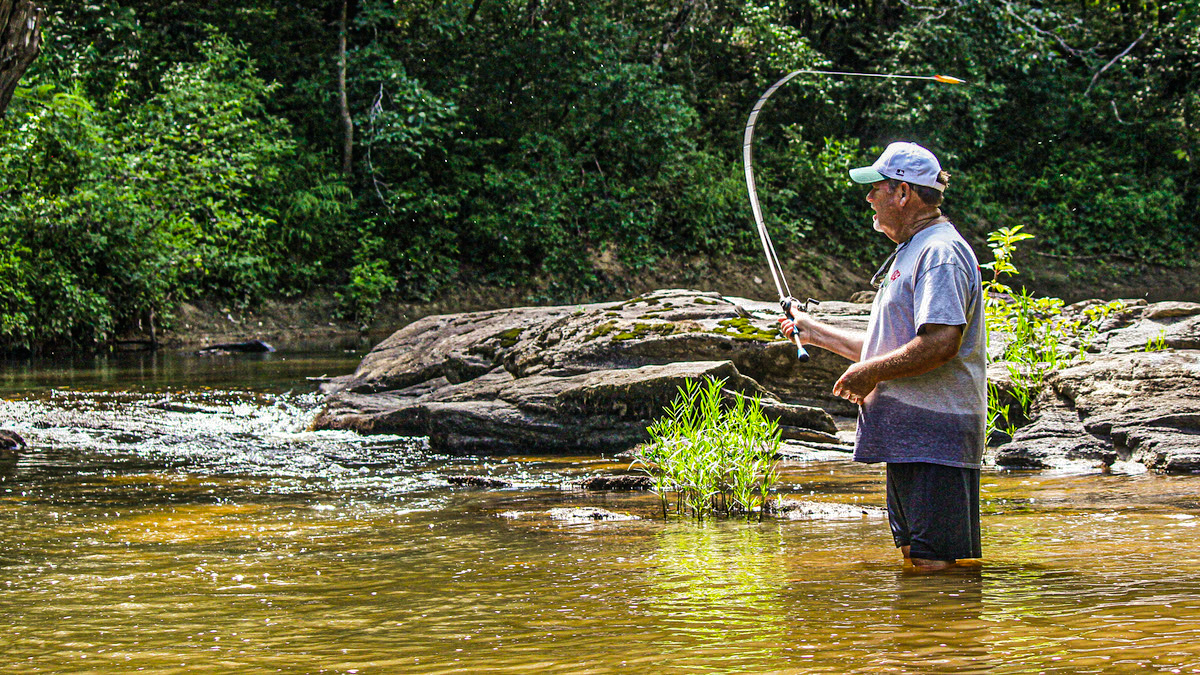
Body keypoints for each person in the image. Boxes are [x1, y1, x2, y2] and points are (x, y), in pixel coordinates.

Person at [780, 141, 986, 572]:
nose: (868, 197)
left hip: (936, 440)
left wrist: (869, 372)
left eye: (876, 187)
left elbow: (941, 341)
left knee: (937, 569)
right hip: (911, 441)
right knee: (919, 561)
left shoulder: (940, 253)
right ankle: (926, 641)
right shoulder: (914, 250)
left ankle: (953, 641)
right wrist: (814, 332)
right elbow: (893, 344)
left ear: (904, 193)